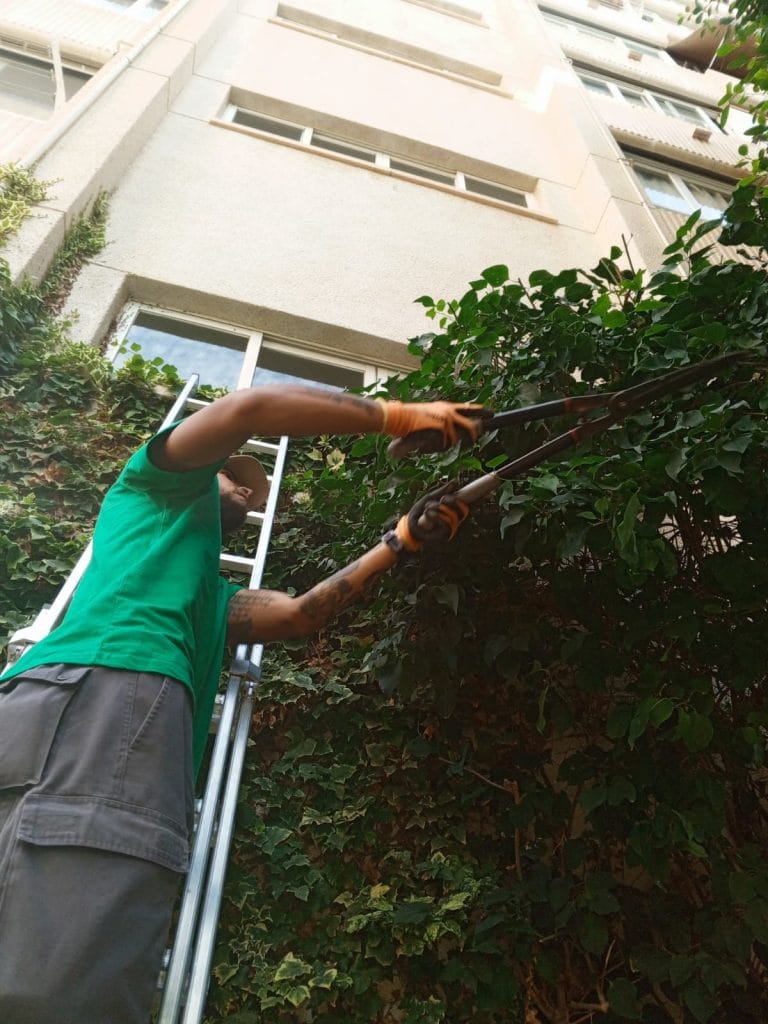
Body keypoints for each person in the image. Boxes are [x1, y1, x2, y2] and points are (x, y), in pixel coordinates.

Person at [0, 384, 484, 1024]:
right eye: (232, 473)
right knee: (68, 975)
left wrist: (403, 540)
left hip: (50, 705)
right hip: (115, 692)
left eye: (251, 487)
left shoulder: (208, 596)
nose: (245, 490)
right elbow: (251, 409)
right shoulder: (152, 487)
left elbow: (295, 615)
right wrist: (403, 415)